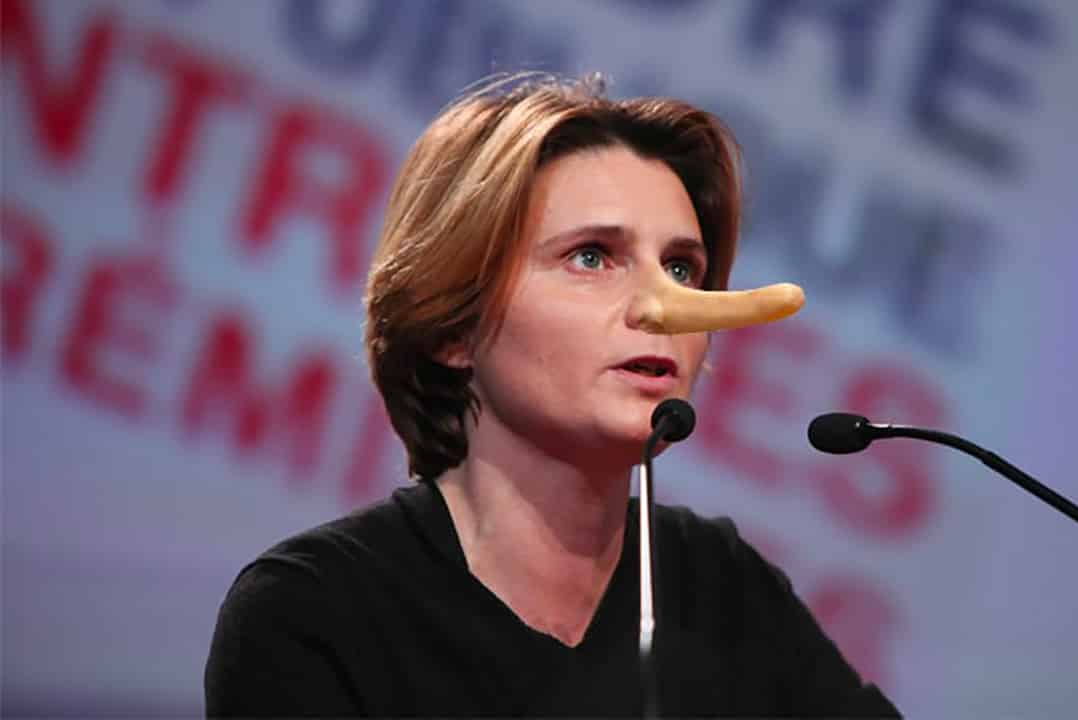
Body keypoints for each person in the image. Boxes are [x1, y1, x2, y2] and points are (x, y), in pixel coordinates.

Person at [204, 73, 901, 718]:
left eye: (682, 268)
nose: (661, 307)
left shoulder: (723, 587)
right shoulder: (315, 611)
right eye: (592, 257)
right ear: (454, 327)